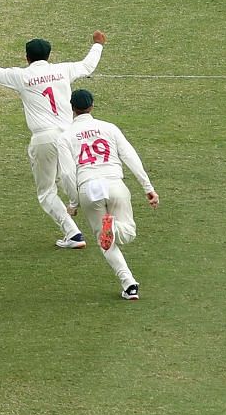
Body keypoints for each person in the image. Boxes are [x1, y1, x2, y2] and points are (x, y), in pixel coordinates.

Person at [0, 31, 107, 248]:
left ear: (26, 58)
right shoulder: (62, 70)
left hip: (44, 138)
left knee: (46, 192)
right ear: (49, 55)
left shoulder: (22, 76)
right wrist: (97, 44)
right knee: (68, 178)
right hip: (69, 136)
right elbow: (87, 66)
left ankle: (73, 234)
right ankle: (104, 212)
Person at [61, 89, 159, 300]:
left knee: (105, 241)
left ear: (72, 109)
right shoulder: (109, 128)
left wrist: (73, 202)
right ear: (92, 106)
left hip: (89, 188)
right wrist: (147, 187)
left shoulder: (65, 136)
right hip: (114, 183)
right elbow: (130, 156)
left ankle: (129, 283)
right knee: (128, 233)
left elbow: (67, 173)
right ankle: (113, 227)